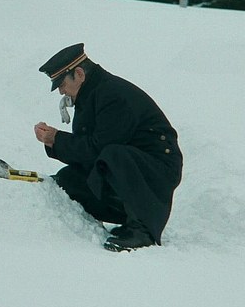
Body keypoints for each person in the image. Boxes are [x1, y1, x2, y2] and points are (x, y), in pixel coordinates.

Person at [33, 43, 182, 251]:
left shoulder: (112, 94)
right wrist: (54, 142)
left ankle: (142, 230)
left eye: (62, 84)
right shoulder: (91, 94)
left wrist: (57, 139)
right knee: (68, 179)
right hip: (132, 170)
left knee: (113, 154)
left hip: (157, 171)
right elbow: (87, 151)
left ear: (79, 74)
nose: (61, 91)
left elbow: (98, 148)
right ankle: (127, 219)